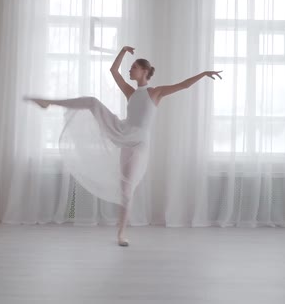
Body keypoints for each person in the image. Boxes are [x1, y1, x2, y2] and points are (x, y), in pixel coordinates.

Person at [25, 46, 222, 246]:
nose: (130, 70)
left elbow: (183, 85)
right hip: (122, 130)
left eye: (134, 67)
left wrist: (204, 73)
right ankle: (48, 102)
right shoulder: (131, 92)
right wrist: (122, 51)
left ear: (145, 71)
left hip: (137, 143)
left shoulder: (155, 93)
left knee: (126, 189)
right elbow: (114, 71)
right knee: (92, 102)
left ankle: (121, 234)